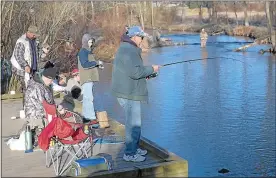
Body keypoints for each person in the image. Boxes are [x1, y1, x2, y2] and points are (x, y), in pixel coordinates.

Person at [111, 26, 161, 162]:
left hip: (128, 90)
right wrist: (152, 68)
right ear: (134, 37)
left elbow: (132, 72)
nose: (142, 40)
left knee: (135, 122)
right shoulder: (129, 50)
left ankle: (134, 147)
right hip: (128, 93)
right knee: (133, 123)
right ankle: (130, 153)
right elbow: (135, 72)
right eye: (141, 37)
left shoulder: (127, 48)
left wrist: (149, 73)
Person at [10, 25, 40, 112]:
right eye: (34, 35)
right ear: (29, 33)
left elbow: (36, 54)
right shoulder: (21, 41)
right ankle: (27, 108)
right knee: (27, 89)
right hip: (22, 69)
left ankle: (32, 106)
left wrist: (44, 53)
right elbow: (18, 55)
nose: (35, 36)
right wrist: (25, 65)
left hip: (33, 69)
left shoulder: (35, 41)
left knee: (33, 88)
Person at [77, 33, 103, 122]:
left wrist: (97, 66)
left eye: (91, 42)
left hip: (89, 78)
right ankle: (91, 117)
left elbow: (90, 64)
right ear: (85, 42)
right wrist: (96, 63)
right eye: (89, 42)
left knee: (87, 98)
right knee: (89, 98)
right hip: (86, 78)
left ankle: (86, 116)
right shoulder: (83, 52)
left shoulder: (87, 51)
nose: (91, 44)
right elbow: (85, 65)